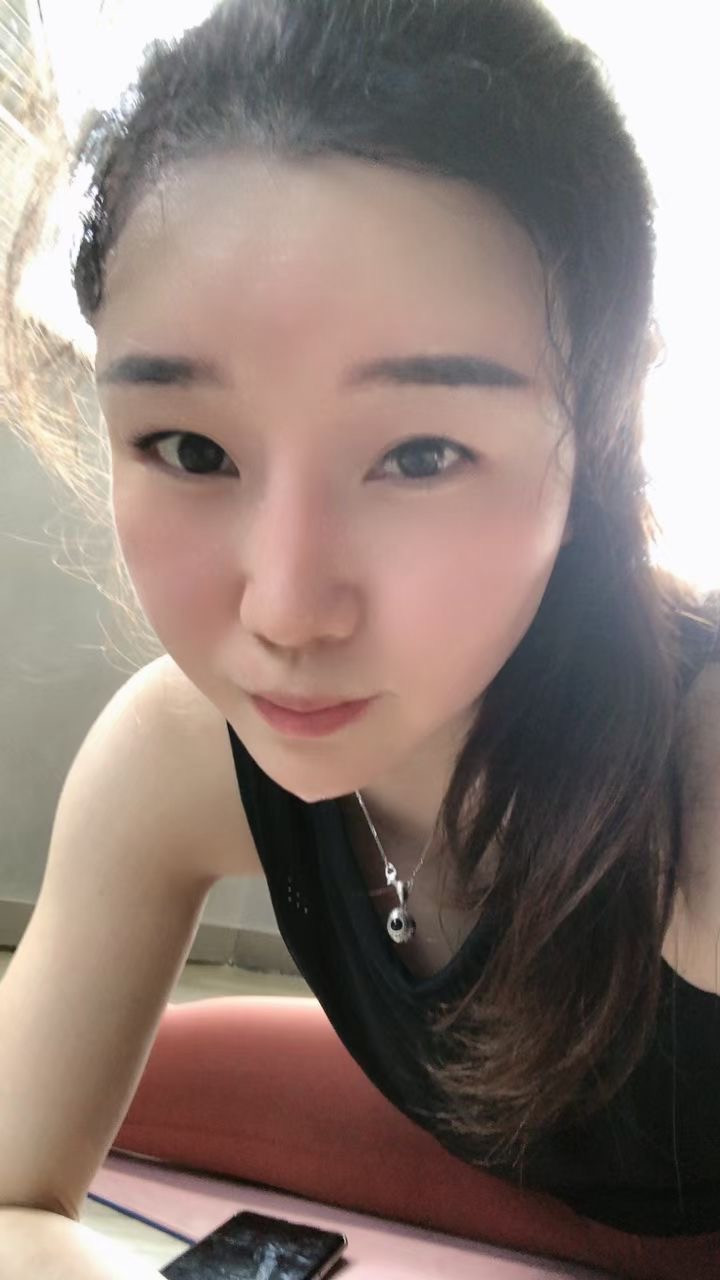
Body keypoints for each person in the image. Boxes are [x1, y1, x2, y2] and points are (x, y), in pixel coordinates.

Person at [1, 1, 719, 1277]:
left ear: (603, 431)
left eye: (423, 453)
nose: (284, 610)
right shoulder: (174, 753)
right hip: (493, 1134)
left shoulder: (696, 790)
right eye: (191, 447)